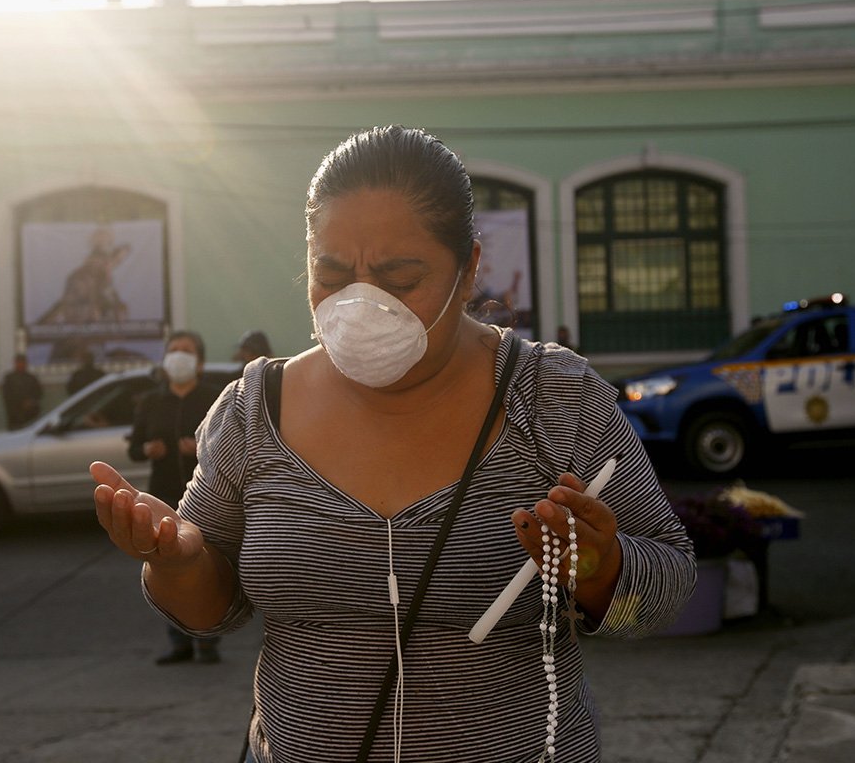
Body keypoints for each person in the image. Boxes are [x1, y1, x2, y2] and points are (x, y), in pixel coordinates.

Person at [90, 125, 694, 761]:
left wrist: (601, 571)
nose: (359, 302)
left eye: (399, 277)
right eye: (330, 273)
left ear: (469, 271)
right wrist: (178, 561)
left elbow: (669, 590)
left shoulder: (555, 398)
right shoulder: (253, 411)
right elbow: (210, 613)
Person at [127, 330, 224, 665]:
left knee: (208, 571)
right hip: (164, 497)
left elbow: (232, 448)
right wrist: (146, 449)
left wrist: (202, 450)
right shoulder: (151, 401)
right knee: (168, 571)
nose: (179, 356)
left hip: (209, 499)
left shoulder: (215, 398)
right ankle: (179, 642)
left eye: (186, 351)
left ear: (199, 363)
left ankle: (209, 642)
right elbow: (134, 447)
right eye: (173, 350)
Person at [1, 353, 43, 431]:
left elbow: (39, 393)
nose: (21, 364)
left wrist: (30, 402)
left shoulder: (32, 378)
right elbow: (7, 396)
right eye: (19, 362)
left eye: (23, 362)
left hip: (30, 415)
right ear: (15, 363)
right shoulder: (9, 378)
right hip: (15, 416)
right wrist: (20, 403)